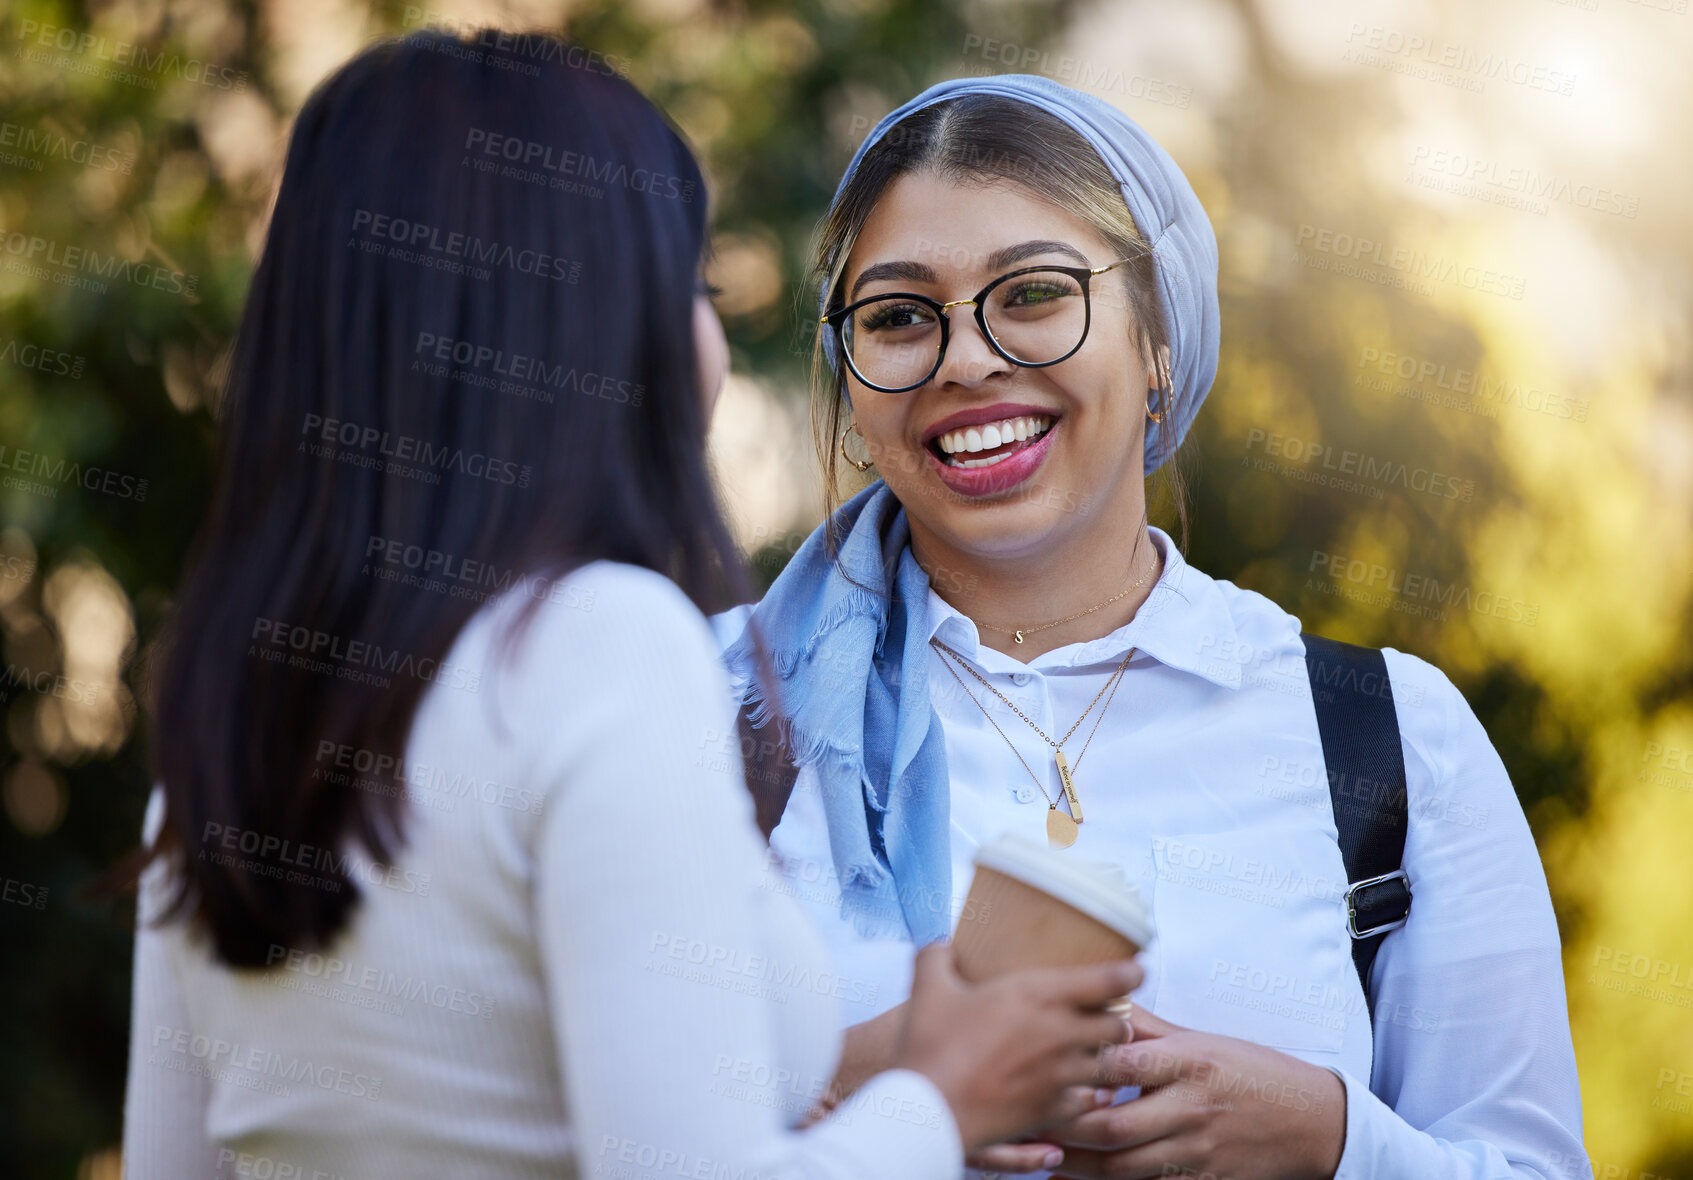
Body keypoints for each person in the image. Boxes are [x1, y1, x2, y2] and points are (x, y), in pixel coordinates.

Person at [119, 38, 1143, 1180]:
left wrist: (907, 1065)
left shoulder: (235, 726)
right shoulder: (596, 644)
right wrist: (949, 1104)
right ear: (586, 323)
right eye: (692, 285)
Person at [713, 75, 1586, 1179]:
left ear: (1157, 344)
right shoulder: (719, 710)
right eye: (896, 316)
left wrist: (1331, 1138)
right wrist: (882, 1091)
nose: (966, 357)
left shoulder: (1384, 735)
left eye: (1031, 293)